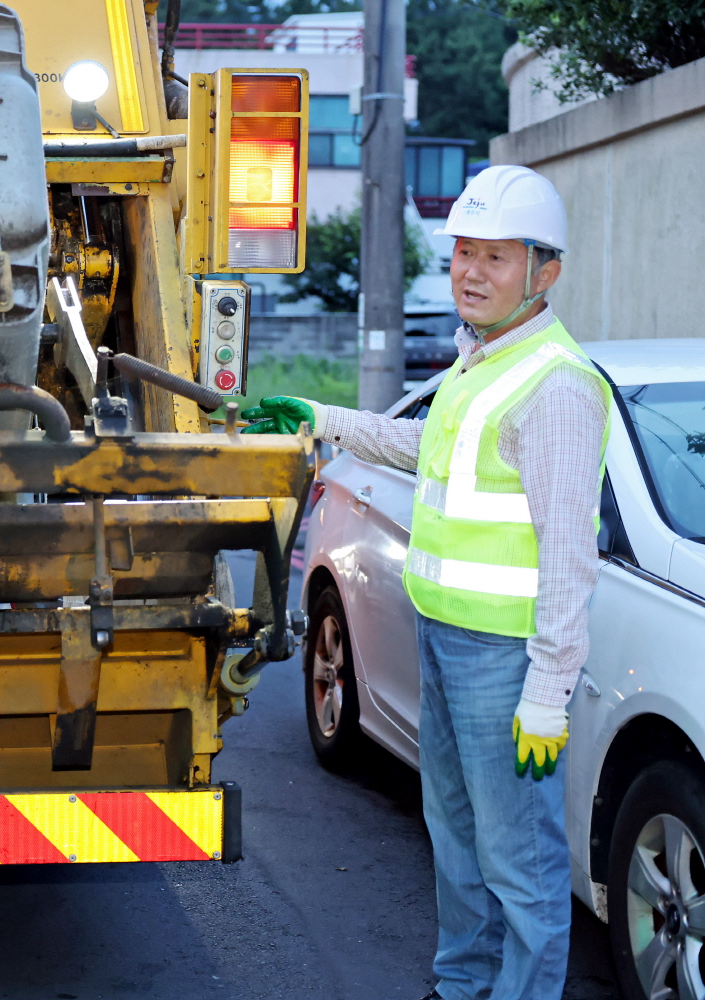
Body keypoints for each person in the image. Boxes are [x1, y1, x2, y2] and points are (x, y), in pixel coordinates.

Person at [242, 165, 610, 1000]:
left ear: (544, 273)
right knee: (454, 831)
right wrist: (321, 417)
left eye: (497, 258)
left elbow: (569, 555)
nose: (471, 273)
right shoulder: (479, 362)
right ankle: (462, 983)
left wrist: (548, 692)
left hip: (504, 657)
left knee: (519, 857)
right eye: (462, 255)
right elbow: (422, 450)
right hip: (442, 635)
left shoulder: (555, 384)